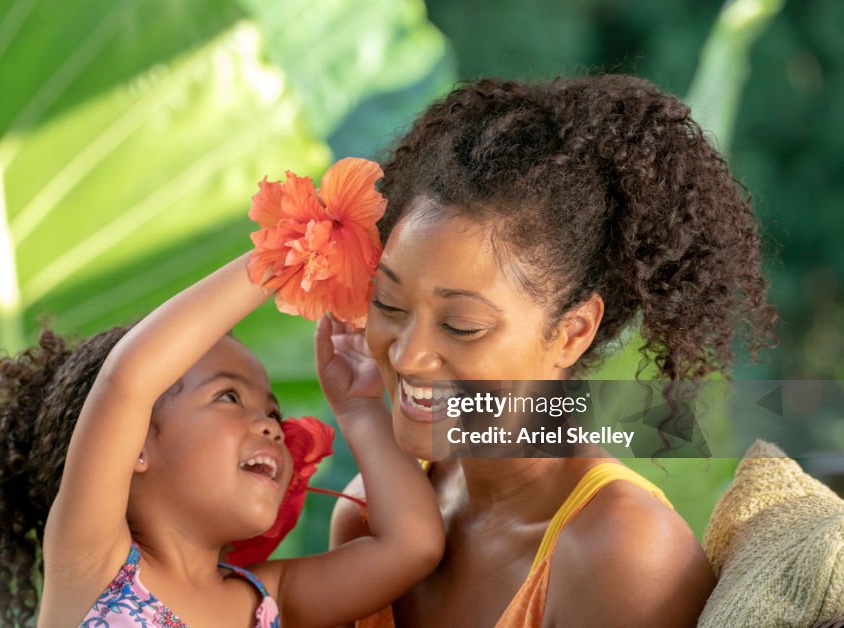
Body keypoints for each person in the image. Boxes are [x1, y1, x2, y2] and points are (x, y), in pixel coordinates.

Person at [329, 75, 777, 627]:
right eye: (390, 304)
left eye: (462, 325)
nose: (407, 355)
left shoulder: (623, 555)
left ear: (572, 331)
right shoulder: (373, 515)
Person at [0, 245, 444, 627]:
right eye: (229, 397)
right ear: (134, 444)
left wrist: (359, 406)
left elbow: (412, 545)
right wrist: (286, 252)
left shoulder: (269, 599)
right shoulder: (91, 562)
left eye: (273, 410)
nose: (272, 426)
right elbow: (127, 381)